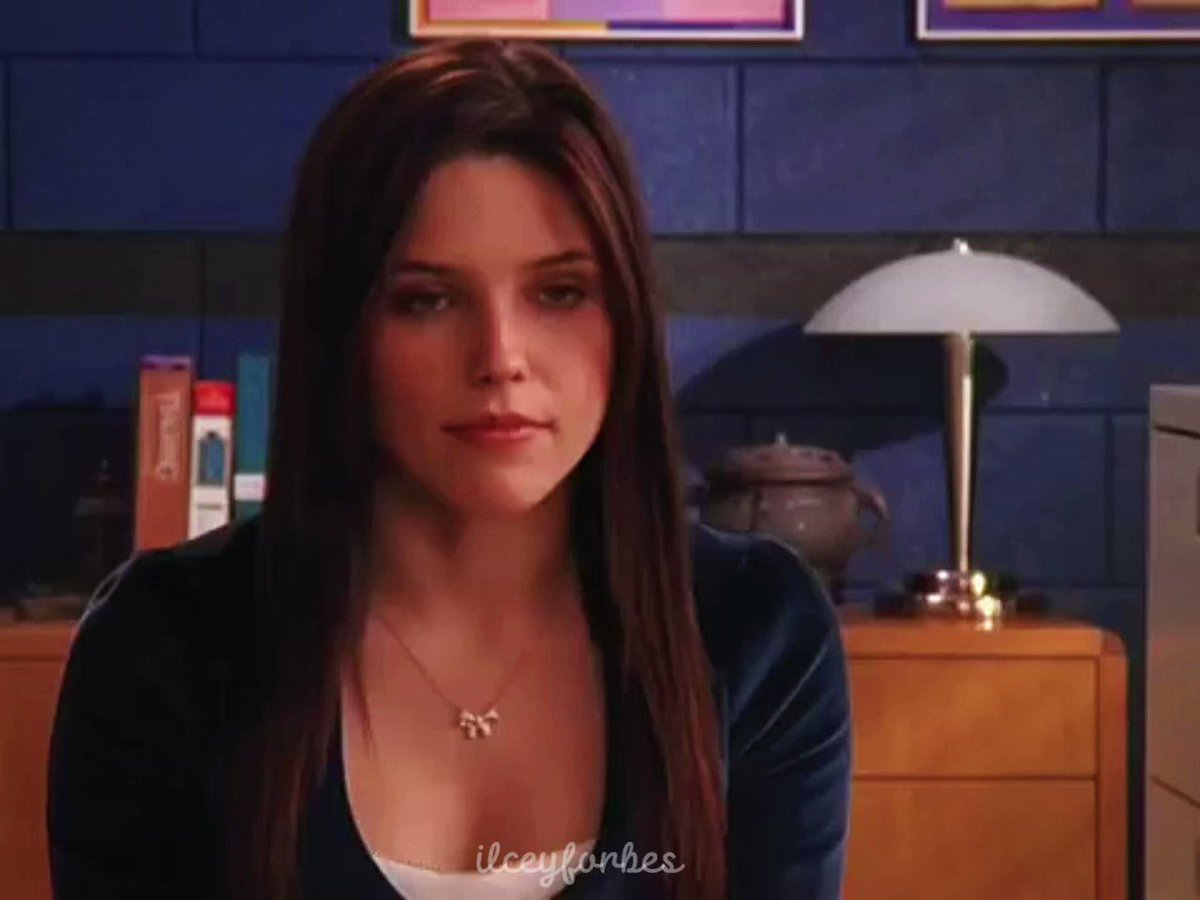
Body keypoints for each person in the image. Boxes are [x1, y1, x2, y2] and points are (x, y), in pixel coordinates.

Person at [46, 38, 851, 900]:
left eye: (560, 292)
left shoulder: (756, 634)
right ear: (341, 332)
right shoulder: (163, 648)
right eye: (427, 300)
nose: (500, 357)